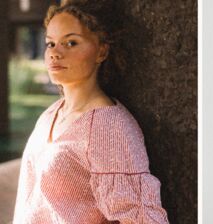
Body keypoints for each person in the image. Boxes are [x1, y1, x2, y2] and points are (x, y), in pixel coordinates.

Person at [13, 1, 169, 223]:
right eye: (50, 44)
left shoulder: (109, 127)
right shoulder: (50, 115)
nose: (55, 53)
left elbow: (142, 218)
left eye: (71, 42)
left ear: (101, 51)